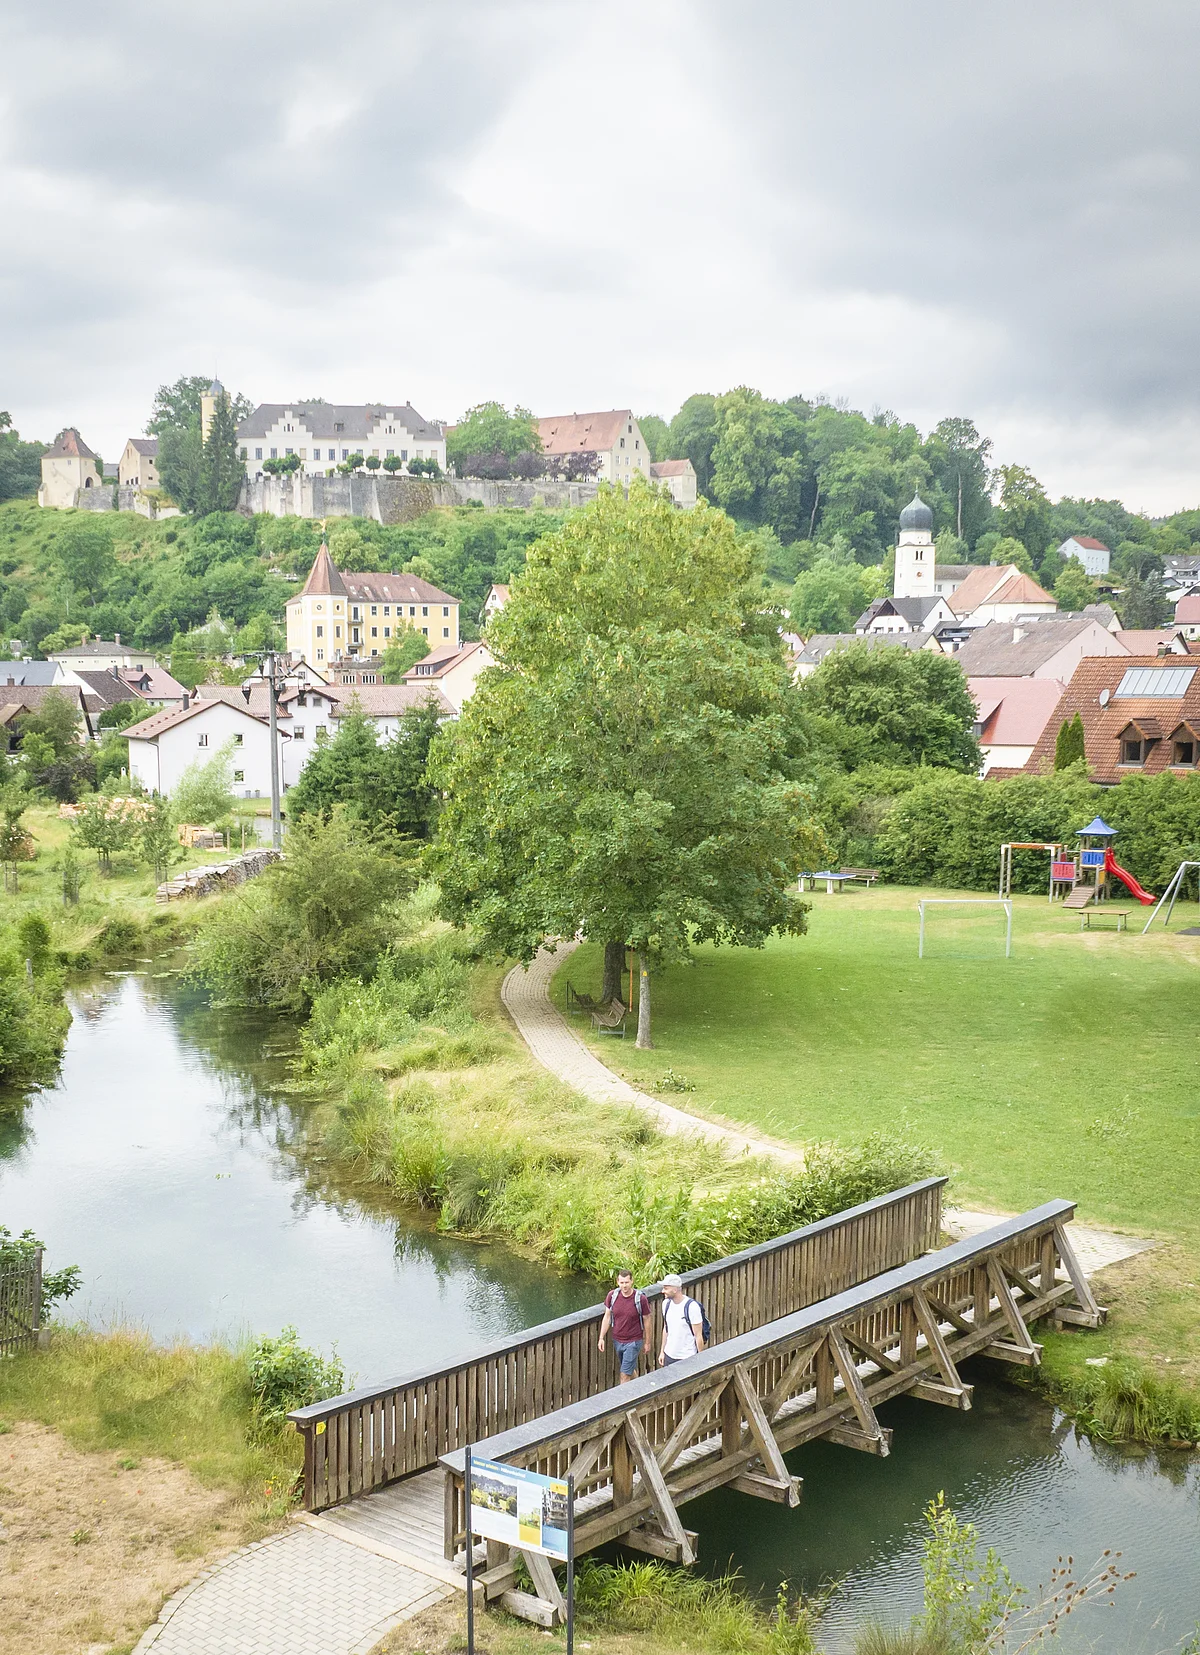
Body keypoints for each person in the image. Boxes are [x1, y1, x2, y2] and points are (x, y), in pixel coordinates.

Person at [598, 1268, 651, 1383]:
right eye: (622, 1283)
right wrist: (601, 1337)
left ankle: (623, 1399)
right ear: (618, 1282)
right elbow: (607, 1317)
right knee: (629, 1370)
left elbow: (647, 1319)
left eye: (627, 1282)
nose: (624, 1286)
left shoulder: (640, 1299)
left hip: (633, 1341)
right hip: (617, 1340)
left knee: (624, 1375)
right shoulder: (612, 1296)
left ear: (632, 1281)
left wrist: (647, 1342)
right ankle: (640, 1387)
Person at [658, 1273, 705, 1366]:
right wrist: (662, 1351)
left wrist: (700, 1360)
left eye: (666, 1288)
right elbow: (666, 1328)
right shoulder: (666, 1304)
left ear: (675, 1290)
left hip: (687, 1357)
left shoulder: (692, 1307)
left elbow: (698, 1335)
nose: (663, 1291)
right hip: (669, 1355)